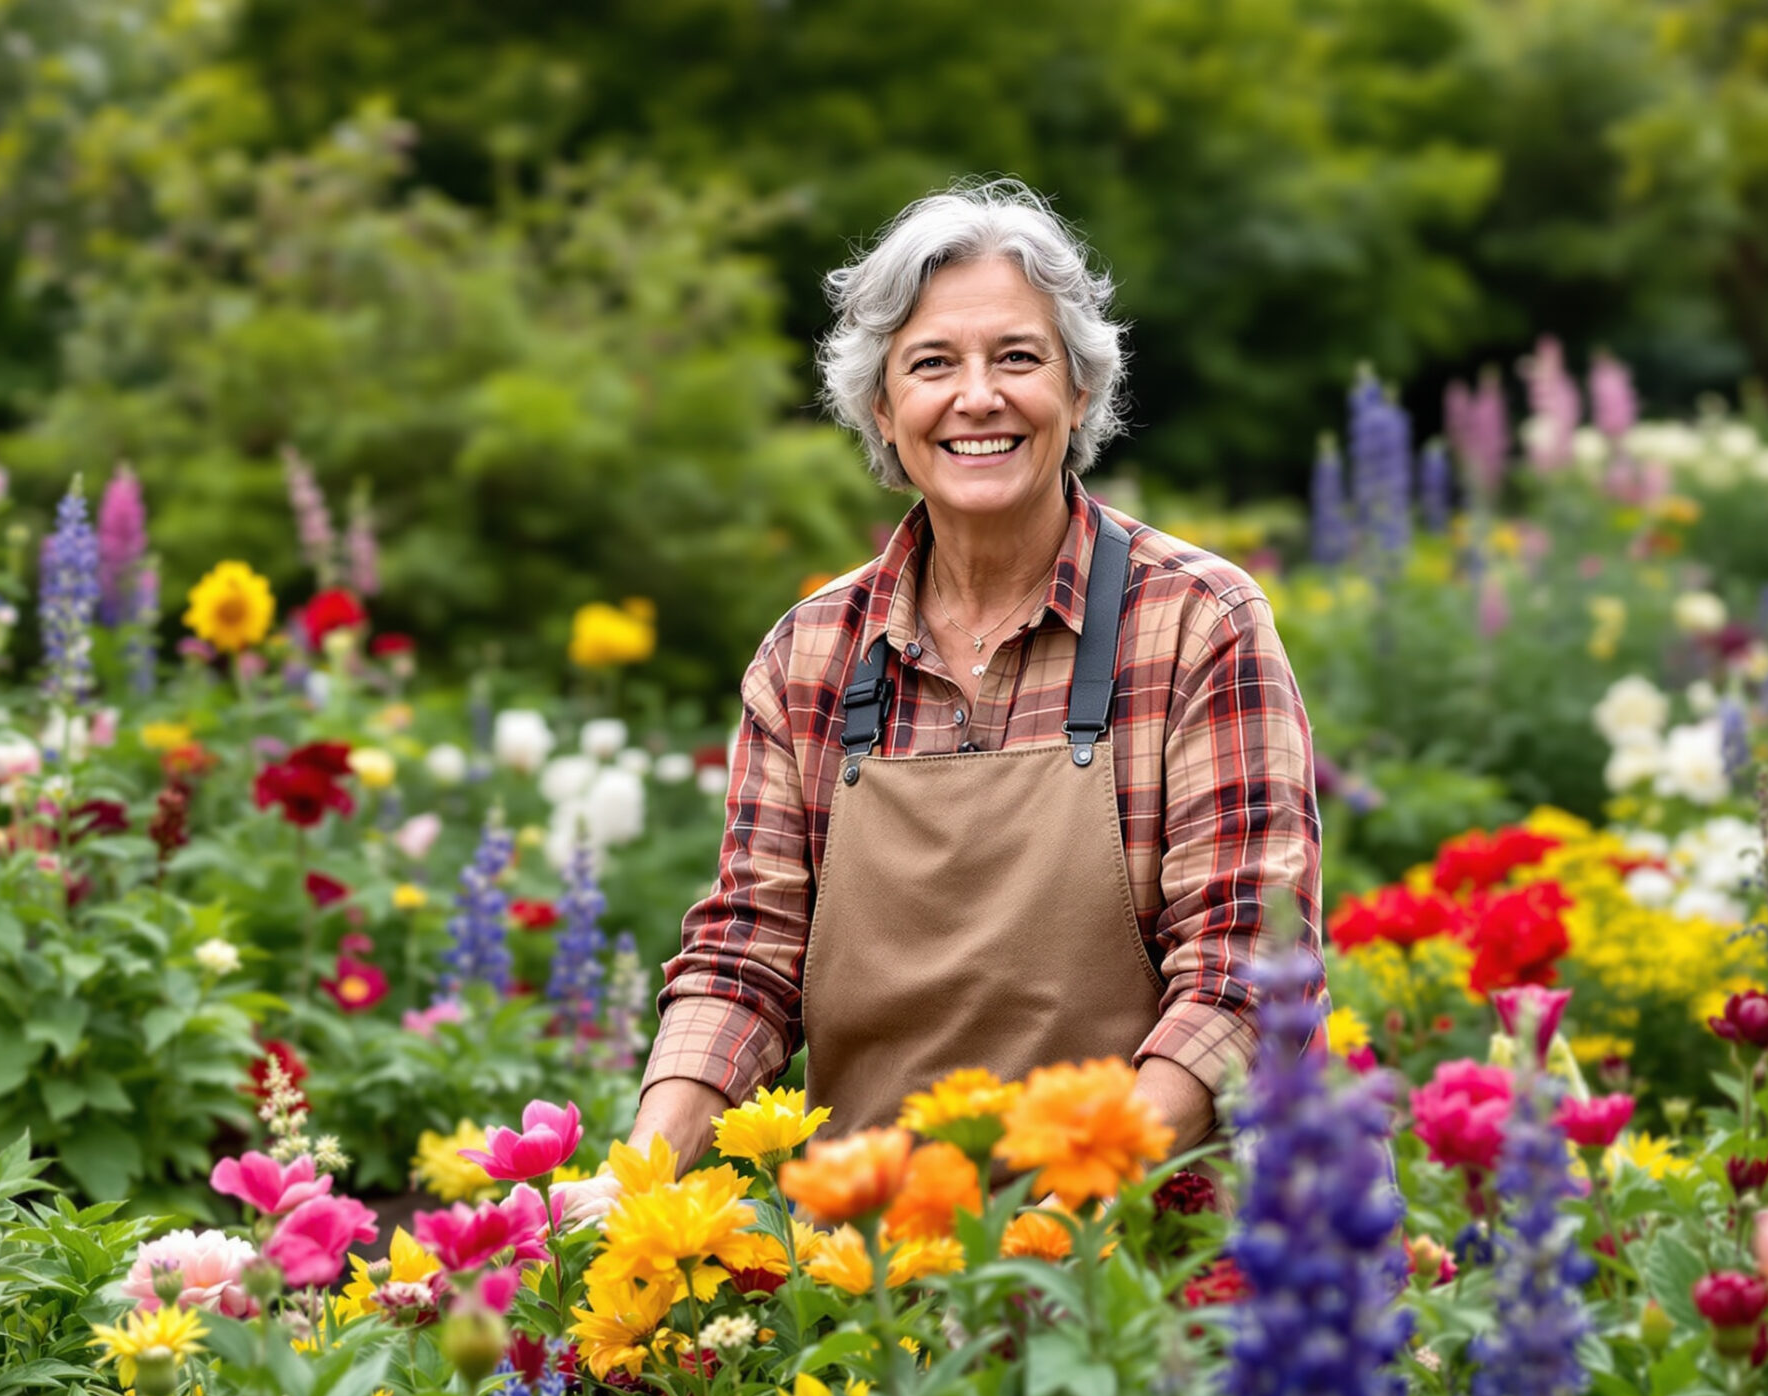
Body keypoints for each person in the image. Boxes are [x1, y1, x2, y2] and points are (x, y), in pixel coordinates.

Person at [555, 179, 1326, 1222]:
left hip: (1135, 1263)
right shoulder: (811, 656)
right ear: (882, 408)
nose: (977, 397)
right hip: (868, 1262)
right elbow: (746, 955)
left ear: (1080, 391)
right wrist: (636, 1185)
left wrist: (1071, 1209)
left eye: (1016, 357)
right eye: (931, 364)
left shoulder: (1197, 622)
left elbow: (1246, 971)